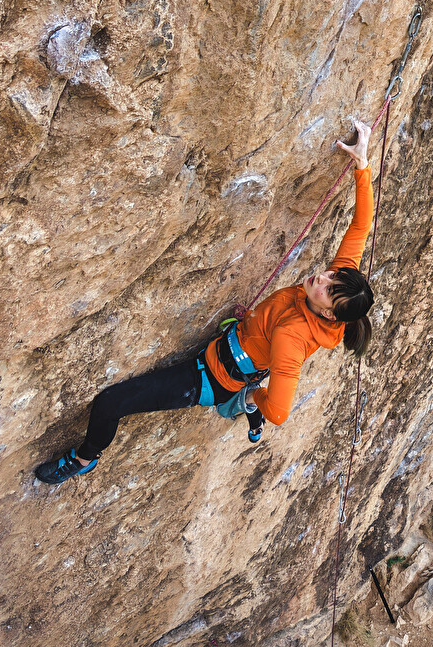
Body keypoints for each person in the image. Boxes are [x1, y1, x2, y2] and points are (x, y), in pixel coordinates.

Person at [35, 117, 376, 486]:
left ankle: (85, 458)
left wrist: (257, 395)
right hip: (232, 346)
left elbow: (280, 411)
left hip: (209, 379)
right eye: (331, 275)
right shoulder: (340, 290)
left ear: (328, 312)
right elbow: (360, 226)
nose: (322, 278)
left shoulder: (292, 338)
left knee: (111, 403)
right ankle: (246, 405)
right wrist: (362, 163)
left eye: (328, 288)